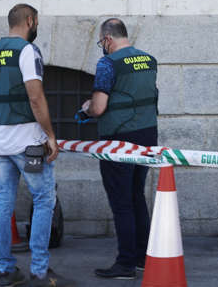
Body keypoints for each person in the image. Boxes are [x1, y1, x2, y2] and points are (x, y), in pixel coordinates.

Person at [0, 4, 74, 287]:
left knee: (3, 203)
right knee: (45, 199)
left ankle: (6, 270)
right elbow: (35, 97)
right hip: (27, 141)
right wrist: (50, 135)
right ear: (30, 21)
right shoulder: (27, 51)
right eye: (37, 22)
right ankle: (40, 272)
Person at [80, 18, 159, 280]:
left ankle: (125, 264)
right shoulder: (149, 60)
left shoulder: (108, 63)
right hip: (147, 137)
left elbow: (99, 107)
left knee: (122, 202)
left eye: (102, 41)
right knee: (137, 196)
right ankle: (142, 258)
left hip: (118, 140)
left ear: (108, 39)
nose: (102, 46)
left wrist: (86, 109)